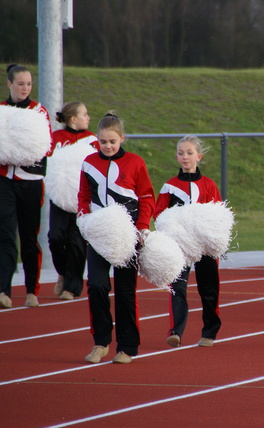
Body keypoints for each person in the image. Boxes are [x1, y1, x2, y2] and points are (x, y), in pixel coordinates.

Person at [78, 112, 155, 364]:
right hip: (99, 235)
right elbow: (83, 195)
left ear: (122, 138)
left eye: (112, 141)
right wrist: (84, 219)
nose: (108, 146)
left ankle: (127, 347)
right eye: (103, 142)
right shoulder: (89, 162)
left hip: (127, 236)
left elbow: (146, 197)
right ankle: (100, 342)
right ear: (96, 141)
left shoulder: (135, 162)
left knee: (125, 291)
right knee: (97, 285)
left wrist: (142, 226)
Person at [154, 135, 223, 348]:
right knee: (178, 287)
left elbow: (218, 214)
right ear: (176, 157)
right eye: (181, 153)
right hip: (180, 247)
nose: (185, 157)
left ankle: (209, 332)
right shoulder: (169, 186)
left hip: (205, 247)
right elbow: (159, 214)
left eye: (190, 153)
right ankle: (176, 331)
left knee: (209, 289)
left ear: (199, 156)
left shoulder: (208, 184)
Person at [0, 64, 53, 309]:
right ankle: (4, 290)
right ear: (9, 84)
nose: (25, 88)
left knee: (29, 237)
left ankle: (32, 289)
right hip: (4, 182)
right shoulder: (1, 110)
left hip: (31, 183)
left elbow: (47, 147)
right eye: (20, 83)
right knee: (5, 235)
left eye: (29, 84)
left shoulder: (39, 111)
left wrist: (24, 151)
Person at [49, 101, 98, 301]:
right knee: (56, 237)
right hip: (60, 197)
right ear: (73, 119)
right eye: (85, 114)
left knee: (77, 242)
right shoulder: (56, 138)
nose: (88, 118)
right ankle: (62, 272)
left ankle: (71, 287)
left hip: (82, 199)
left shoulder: (92, 139)